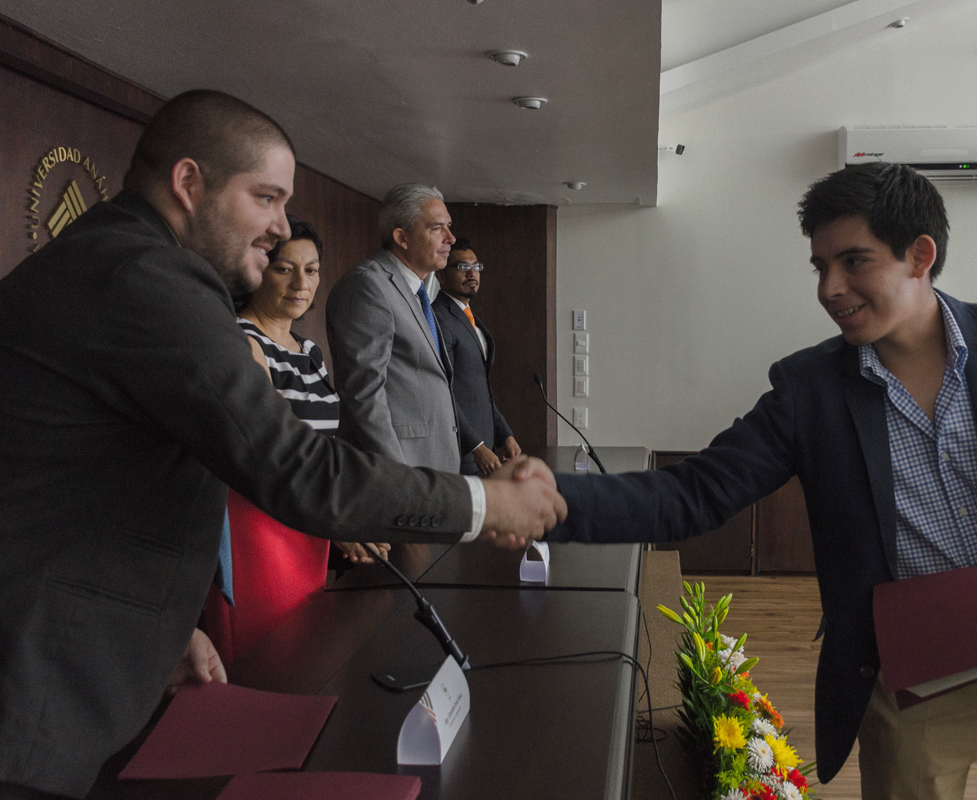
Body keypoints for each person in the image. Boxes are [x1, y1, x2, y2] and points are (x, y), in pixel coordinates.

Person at [0, 90, 563, 800]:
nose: (278, 227)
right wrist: (488, 505)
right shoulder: (148, 278)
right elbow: (296, 469)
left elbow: (90, 481)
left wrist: (166, 630)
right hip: (29, 695)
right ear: (188, 183)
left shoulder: (115, 261)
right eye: (266, 198)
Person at [533, 163, 977, 799]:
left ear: (920, 255)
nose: (830, 287)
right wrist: (551, 501)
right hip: (911, 683)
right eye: (820, 266)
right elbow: (695, 493)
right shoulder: (810, 390)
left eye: (854, 261)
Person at [201, 216, 390, 664]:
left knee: (308, 655)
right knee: (265, 662)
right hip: (258, 527)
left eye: (312, 269)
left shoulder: (309, 352)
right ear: (255, 270)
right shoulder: (242, 340)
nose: (302, 283)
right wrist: (335, 521)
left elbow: (325, 446)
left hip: (308, 524)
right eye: (285, 268)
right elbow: (265, 454)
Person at [326, 184, 483, 472]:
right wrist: (398, 478)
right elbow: (364, 395)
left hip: (434, 465)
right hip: (400, 471)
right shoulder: (367, 286)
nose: (451, 238)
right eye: (437, 228)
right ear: (402, 237)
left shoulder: (417, 291)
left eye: (449, 227)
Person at [433, 238, 522, 476]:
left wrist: (505, 433)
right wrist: (476, 446)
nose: (472, 273)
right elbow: (444, 392)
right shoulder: (438, 318)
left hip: (485, 450)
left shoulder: (467, 316)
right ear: (441, 275)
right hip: (461, 454)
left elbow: (478, 390)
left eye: (476, 266)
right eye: (462, 267)